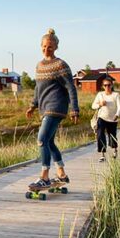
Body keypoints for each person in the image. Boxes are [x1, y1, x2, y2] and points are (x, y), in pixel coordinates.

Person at [25, 29, 79, 189]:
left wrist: (74, 108)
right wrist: (32, 106)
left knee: (41, 140)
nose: (46, 49)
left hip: (56, 107)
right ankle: (61, 173)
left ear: (55, 47)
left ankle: (45, 176)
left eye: (49, 47)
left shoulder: (60, 65)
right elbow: (38, 89)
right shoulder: (39, 65)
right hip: (44, 107)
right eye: (43, 46)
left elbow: (71, 88)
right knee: (50, 141)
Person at [91, 78, 120, 162]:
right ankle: (102, 154)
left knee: (112, 136)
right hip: (102, 118)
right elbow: (93, 106)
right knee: (100, 134)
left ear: (112, 85)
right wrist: (100, 104)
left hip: (113, 119)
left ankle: (115, 149)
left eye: (109, 85)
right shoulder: (100, 95)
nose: (107, 87)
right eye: (105, 85)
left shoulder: (116, 95)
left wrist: (117, 114)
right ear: (103, 86)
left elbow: (119, 106)